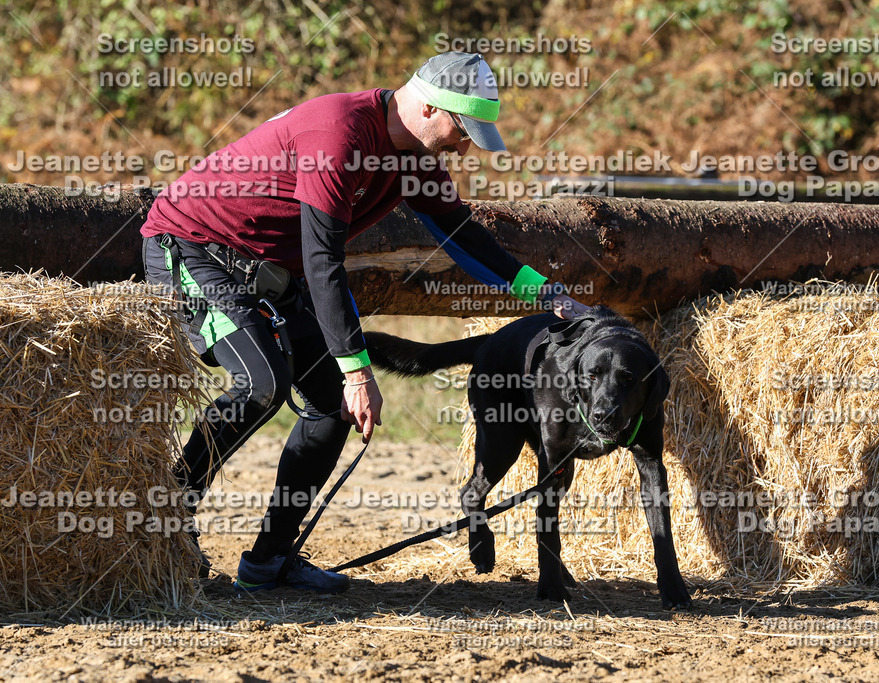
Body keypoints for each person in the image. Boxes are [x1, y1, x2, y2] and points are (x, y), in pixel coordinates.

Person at [139, 51, 589, 594]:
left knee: (330, 407)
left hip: (272, 269)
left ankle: (269, 562)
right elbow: (324, 260)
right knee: (264, 384)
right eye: (461, 130)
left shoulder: (418, 161)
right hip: (194, 246)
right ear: (427, 107)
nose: (464, 145)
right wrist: (358, 370)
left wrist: (544, 293)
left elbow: (464, 239)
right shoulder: (340, 134)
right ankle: (161, 522)